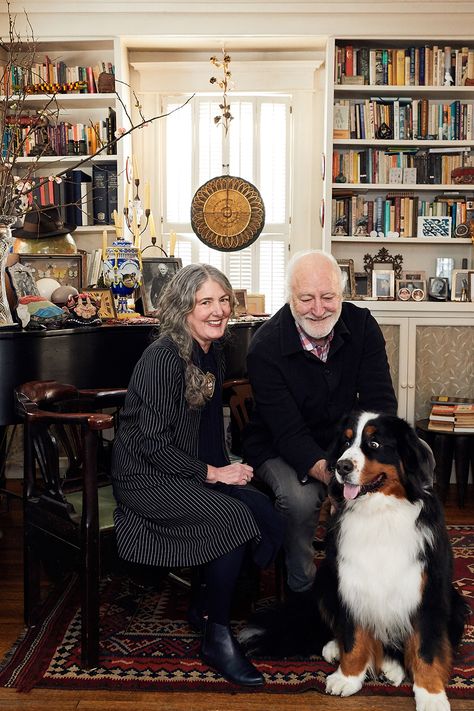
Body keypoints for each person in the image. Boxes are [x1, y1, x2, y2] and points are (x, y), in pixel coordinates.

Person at [111, 263, 284, 687]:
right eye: (205, 301)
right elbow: (149, 445)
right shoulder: (163, 358)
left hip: (186, 469)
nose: (218, 310)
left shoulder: (212, 351)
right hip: (145, 478)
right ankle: (217, 635)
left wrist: (226, 471)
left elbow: (208, 428)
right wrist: (213, 475)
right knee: (233, 520)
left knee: (265, 510)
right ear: (183, 308)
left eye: (223, 300)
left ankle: (204, 601)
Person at [243, 250, 397, 600]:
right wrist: (338, 478)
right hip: (278, 445)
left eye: (328, 297)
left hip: (344, 442)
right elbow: (288, 433)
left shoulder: (362, 325)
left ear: (342, 294)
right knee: (298, 499)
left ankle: (370, 585)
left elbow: (379, 404)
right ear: (289, 297)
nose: (318, 308)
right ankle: (303, 590)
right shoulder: (265, 348)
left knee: (389, 482)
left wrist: (362, 464)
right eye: (306, 298)